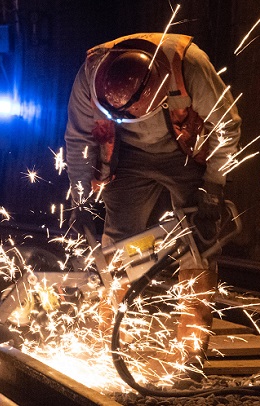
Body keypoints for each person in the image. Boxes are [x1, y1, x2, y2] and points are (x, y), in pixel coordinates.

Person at [63, 33, 241, 380]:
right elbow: (79, 138)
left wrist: (214, 187)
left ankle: (189, 351)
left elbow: (226, 128)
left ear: (157, 94)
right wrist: (80, 197)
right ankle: (109, 341)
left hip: (187, 154)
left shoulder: (190, 66)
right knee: (117, 247)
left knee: (199, 244)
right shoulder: (91, 75)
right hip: (125, 157)